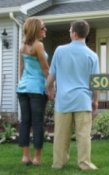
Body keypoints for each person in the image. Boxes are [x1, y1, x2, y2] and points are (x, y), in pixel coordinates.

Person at [47, 20, 100, 170]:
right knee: (83, 136)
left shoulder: (60, 51)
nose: (69, 32)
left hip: (63, 101)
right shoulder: (93, 55)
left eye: (70, 30)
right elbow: (96, 83)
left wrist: (48, 88)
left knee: (60, 136)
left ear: (74, 34)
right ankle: (85, 164)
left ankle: (58, 163)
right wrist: (95, 101)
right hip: (83, 101)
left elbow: (51, 76)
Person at [16, 17, 49, 165]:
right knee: (37, 123)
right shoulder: (38, 45)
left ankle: (25, 156)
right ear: (36, 29)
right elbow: (45, 69)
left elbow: (21, 68)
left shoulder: (22, 46)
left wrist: (21, 83)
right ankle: (36, 158)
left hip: (23, 88)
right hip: (36, 89)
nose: (45, 30)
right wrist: (51, 86)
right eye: (43, 28)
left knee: (25, 122)